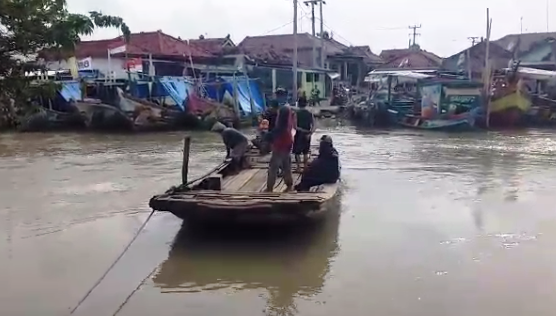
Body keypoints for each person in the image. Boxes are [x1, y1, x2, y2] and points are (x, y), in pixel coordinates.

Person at [265, 104, 294, 192]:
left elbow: (272, 136)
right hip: (287, 146)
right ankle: (289, 185)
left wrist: (266, 137)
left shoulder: (280, 126)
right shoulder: (288, 123)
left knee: (273, 168)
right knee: (286, 167)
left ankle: (269, 188)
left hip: (279, 148)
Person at [293, 98, 315, 171]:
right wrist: (310, 133)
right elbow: (314, 125)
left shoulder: (296, 113)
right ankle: (305, 166)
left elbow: (295, 126)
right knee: (305, 152)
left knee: (297, 152)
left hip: (299, 135)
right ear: (306, 104)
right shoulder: (310, 113)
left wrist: (302, 130)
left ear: (298, 104)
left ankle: (298, 167)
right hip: (307, 135)